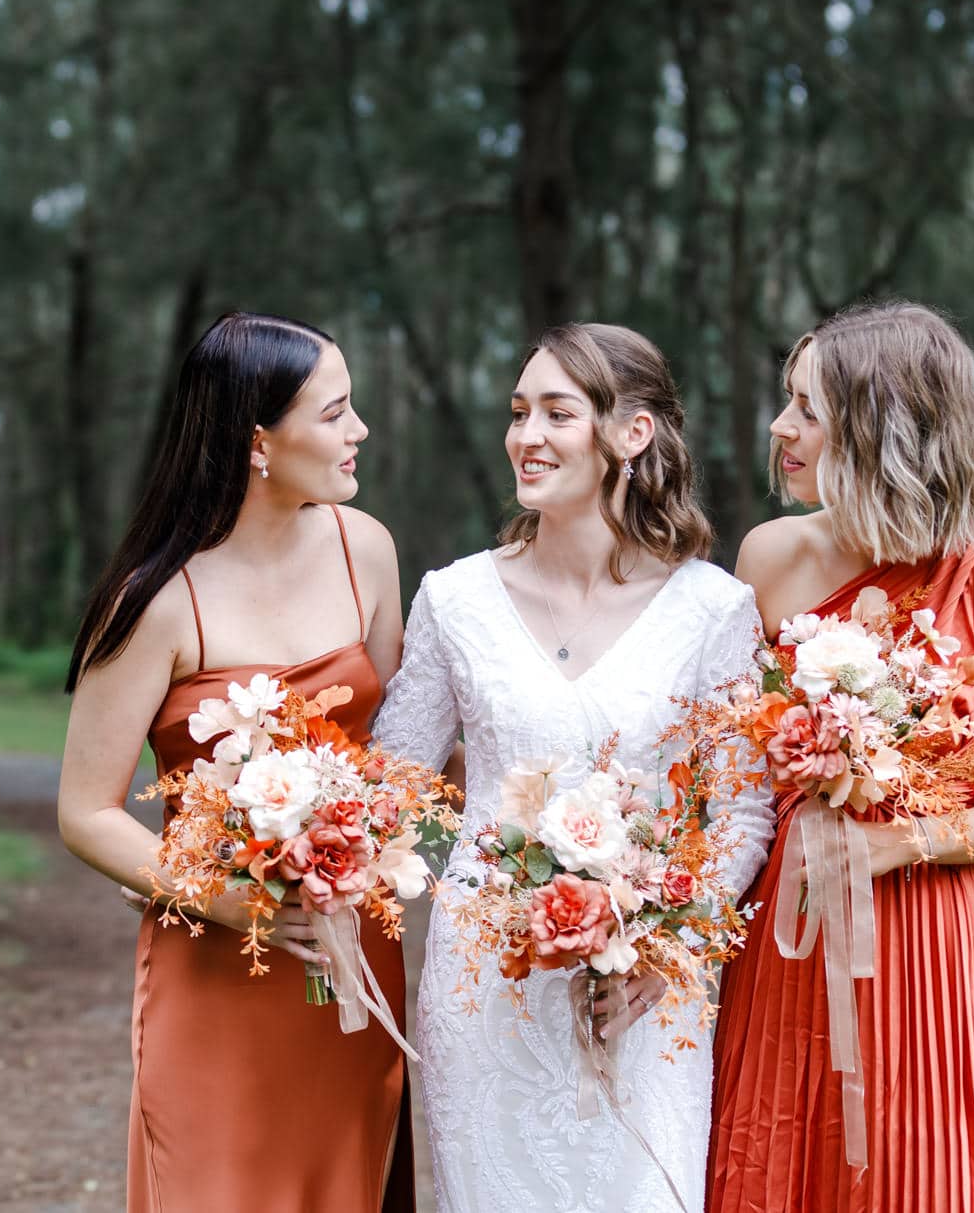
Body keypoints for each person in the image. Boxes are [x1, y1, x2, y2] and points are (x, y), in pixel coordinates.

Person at [707, 300, 974, 1213]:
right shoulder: (767, 557)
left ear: (883, 426)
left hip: (931, 935)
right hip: (789, 926)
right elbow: (724, 764)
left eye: (807, 407)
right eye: (786, 399)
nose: (781, 427)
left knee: (913, 1175)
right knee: (772, 1165)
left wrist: (902, 841)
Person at [372, 323, 772, 1213]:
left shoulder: (714, 610)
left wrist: (667, 950)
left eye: (558, 412)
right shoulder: (455, 598)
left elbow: (742, 813)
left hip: (643, 994)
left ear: (631, 434)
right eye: (519, 413)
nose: (527, 436)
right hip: (485, 985)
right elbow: (392, 782)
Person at [57, 312, 413, 1213]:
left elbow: (396, 753)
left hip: (350, 952)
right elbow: (86, 811)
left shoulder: (363, 548)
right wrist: (228, 898)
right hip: (219, 962)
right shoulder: (156, 602)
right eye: (335, 412)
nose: (358, 429)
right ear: (261, 440)